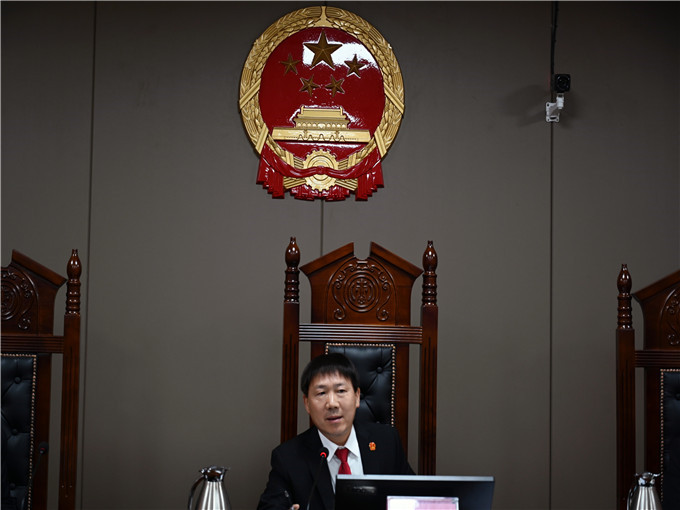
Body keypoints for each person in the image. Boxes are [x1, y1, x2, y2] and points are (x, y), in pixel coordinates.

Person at [257, 353, 413, 510]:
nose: (332, 404)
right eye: (321, 393)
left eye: (341, 391)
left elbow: (415, 497)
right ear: (307, 404)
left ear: (357, 396)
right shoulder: (288, 458)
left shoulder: (387, 442)